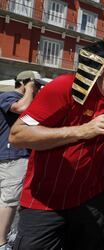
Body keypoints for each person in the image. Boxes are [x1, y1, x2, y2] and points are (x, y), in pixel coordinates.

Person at [8, 36, 104, 250]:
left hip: (91, 200)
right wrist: (84, 130)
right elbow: (17, 135)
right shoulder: (67, 86)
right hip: (44, 202)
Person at [0, 71, 44, 250]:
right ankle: (1, 242)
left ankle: (5, 232)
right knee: (9, 200)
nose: (39, 89)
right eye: (37, 85)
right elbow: (21, 108)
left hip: (17, 155)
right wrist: (30, 89)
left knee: (8, 198)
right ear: (25, 83)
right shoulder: (9, 95)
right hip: (12, 156)